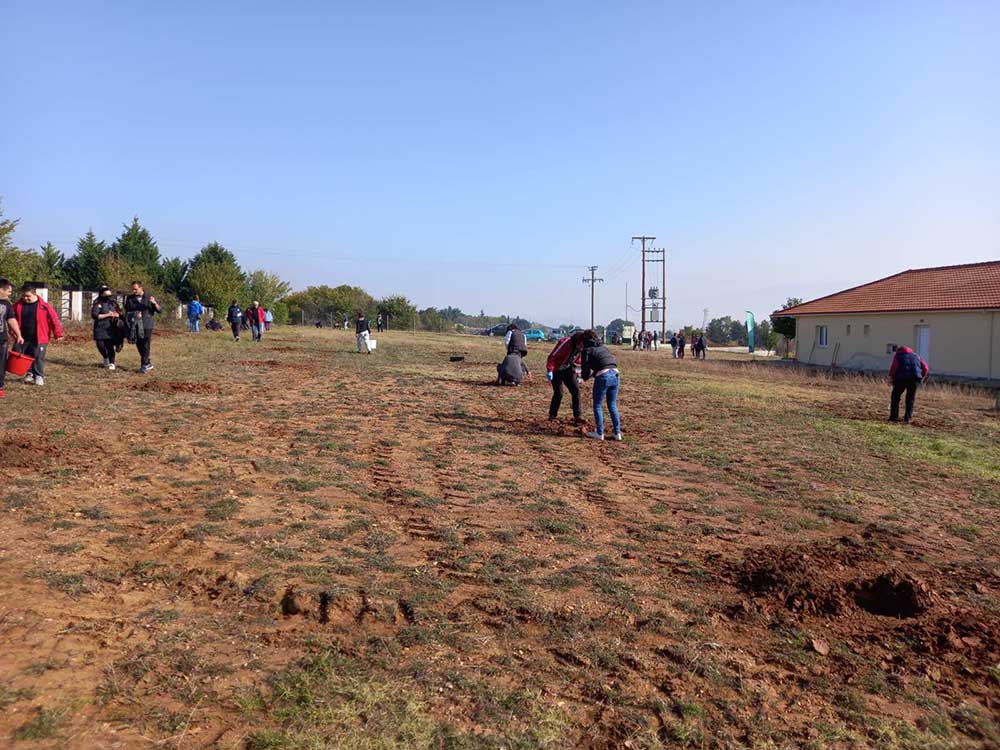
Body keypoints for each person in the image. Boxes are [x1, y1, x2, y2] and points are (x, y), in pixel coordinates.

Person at [13, 283, 65, 386]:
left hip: (40, 336)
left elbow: (54, 320)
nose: (25, 298)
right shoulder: (17, 305)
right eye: (23, 296)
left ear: (34, 294)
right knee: (25, 355)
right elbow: (11, 319)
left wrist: (58, 333)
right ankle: (29, 373)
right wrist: (13, 333)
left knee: (38, 356)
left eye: (28, 296)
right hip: (23, 336)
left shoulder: (44, 306)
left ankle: (39, 375)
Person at [580, 329, 621, 441]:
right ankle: (617, 433)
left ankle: (599, 433)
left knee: (597, 405)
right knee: (612, 405)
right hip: (615, 374)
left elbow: (585, 371)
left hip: (603, 377)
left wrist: (582, 377)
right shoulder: (603, 348)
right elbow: (604, 364)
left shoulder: (586, 350)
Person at [546, 331, 585, 423]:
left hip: (568, 369)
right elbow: (552, 356)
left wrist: (579, 375)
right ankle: (552, 415)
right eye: (581, 344)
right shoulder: (565, 343)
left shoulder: (581, 349)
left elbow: (579, 362)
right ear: (577, 341)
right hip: (556, 369)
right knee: (559, 393)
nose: (582, 346)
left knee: (576, 391)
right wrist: (550, 370)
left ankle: (577, 416)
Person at [123, 281, 161, 373]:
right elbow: (127, 311)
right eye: (132, 289)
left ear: (141, 288)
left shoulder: (149, 297)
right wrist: (134, 315)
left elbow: (159, 310)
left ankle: (143, 365)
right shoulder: (130, 298)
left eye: (135, 289)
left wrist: (154, 303)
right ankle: (147, 362)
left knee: (145, 343)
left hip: (147, 324)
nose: (134, 291)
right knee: (139, 343)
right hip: (135, 324)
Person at [888, 345, 929, 423]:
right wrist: (921, 376)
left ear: (899, 350)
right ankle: (908, 418)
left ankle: (894, 417)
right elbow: (926, 368)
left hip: (901, 378)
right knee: (910, 399)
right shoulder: (916, 356)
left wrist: (891, 377)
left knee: (895, 397)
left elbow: (894, 367)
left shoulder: (898, 355)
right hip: (914, 379)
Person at [0, 278, 24, 398]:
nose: (10, 293)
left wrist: (18, 335)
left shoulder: (7, 304)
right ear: (1, 290)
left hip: (2, 340)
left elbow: (11, 319)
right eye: (9, 291)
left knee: (1, 364)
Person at [91, 285, 123, 370]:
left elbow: (119, 312)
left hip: (111, 327)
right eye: (106, 295)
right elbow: (95, 315)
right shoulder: (97, 303)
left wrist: (117, 314)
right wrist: (108, 314)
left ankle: (112, 363)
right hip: (100, 327)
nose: (109, 297)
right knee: (100, 345)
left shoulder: (113, 302)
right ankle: (105, 357)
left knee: (109, 346)